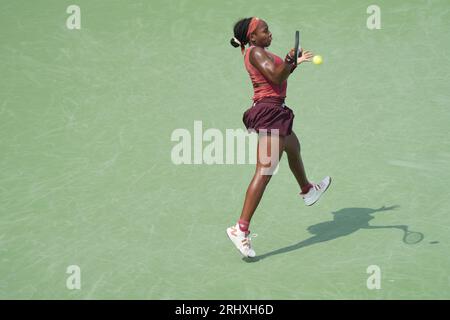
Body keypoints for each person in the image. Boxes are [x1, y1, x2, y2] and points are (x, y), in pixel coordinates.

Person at [226, 17, 332, 258]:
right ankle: (240, 229)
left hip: (275, 111)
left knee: (293, 146)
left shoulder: (258, 51)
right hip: (268, 112)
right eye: (265, 31)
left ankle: (307, 190)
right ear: (252, 37)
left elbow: (279, 75)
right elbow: (275, 77)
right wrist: (288, 60)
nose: (269, 34)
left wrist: (292, 64)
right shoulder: (255, 53)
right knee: (264, 170)